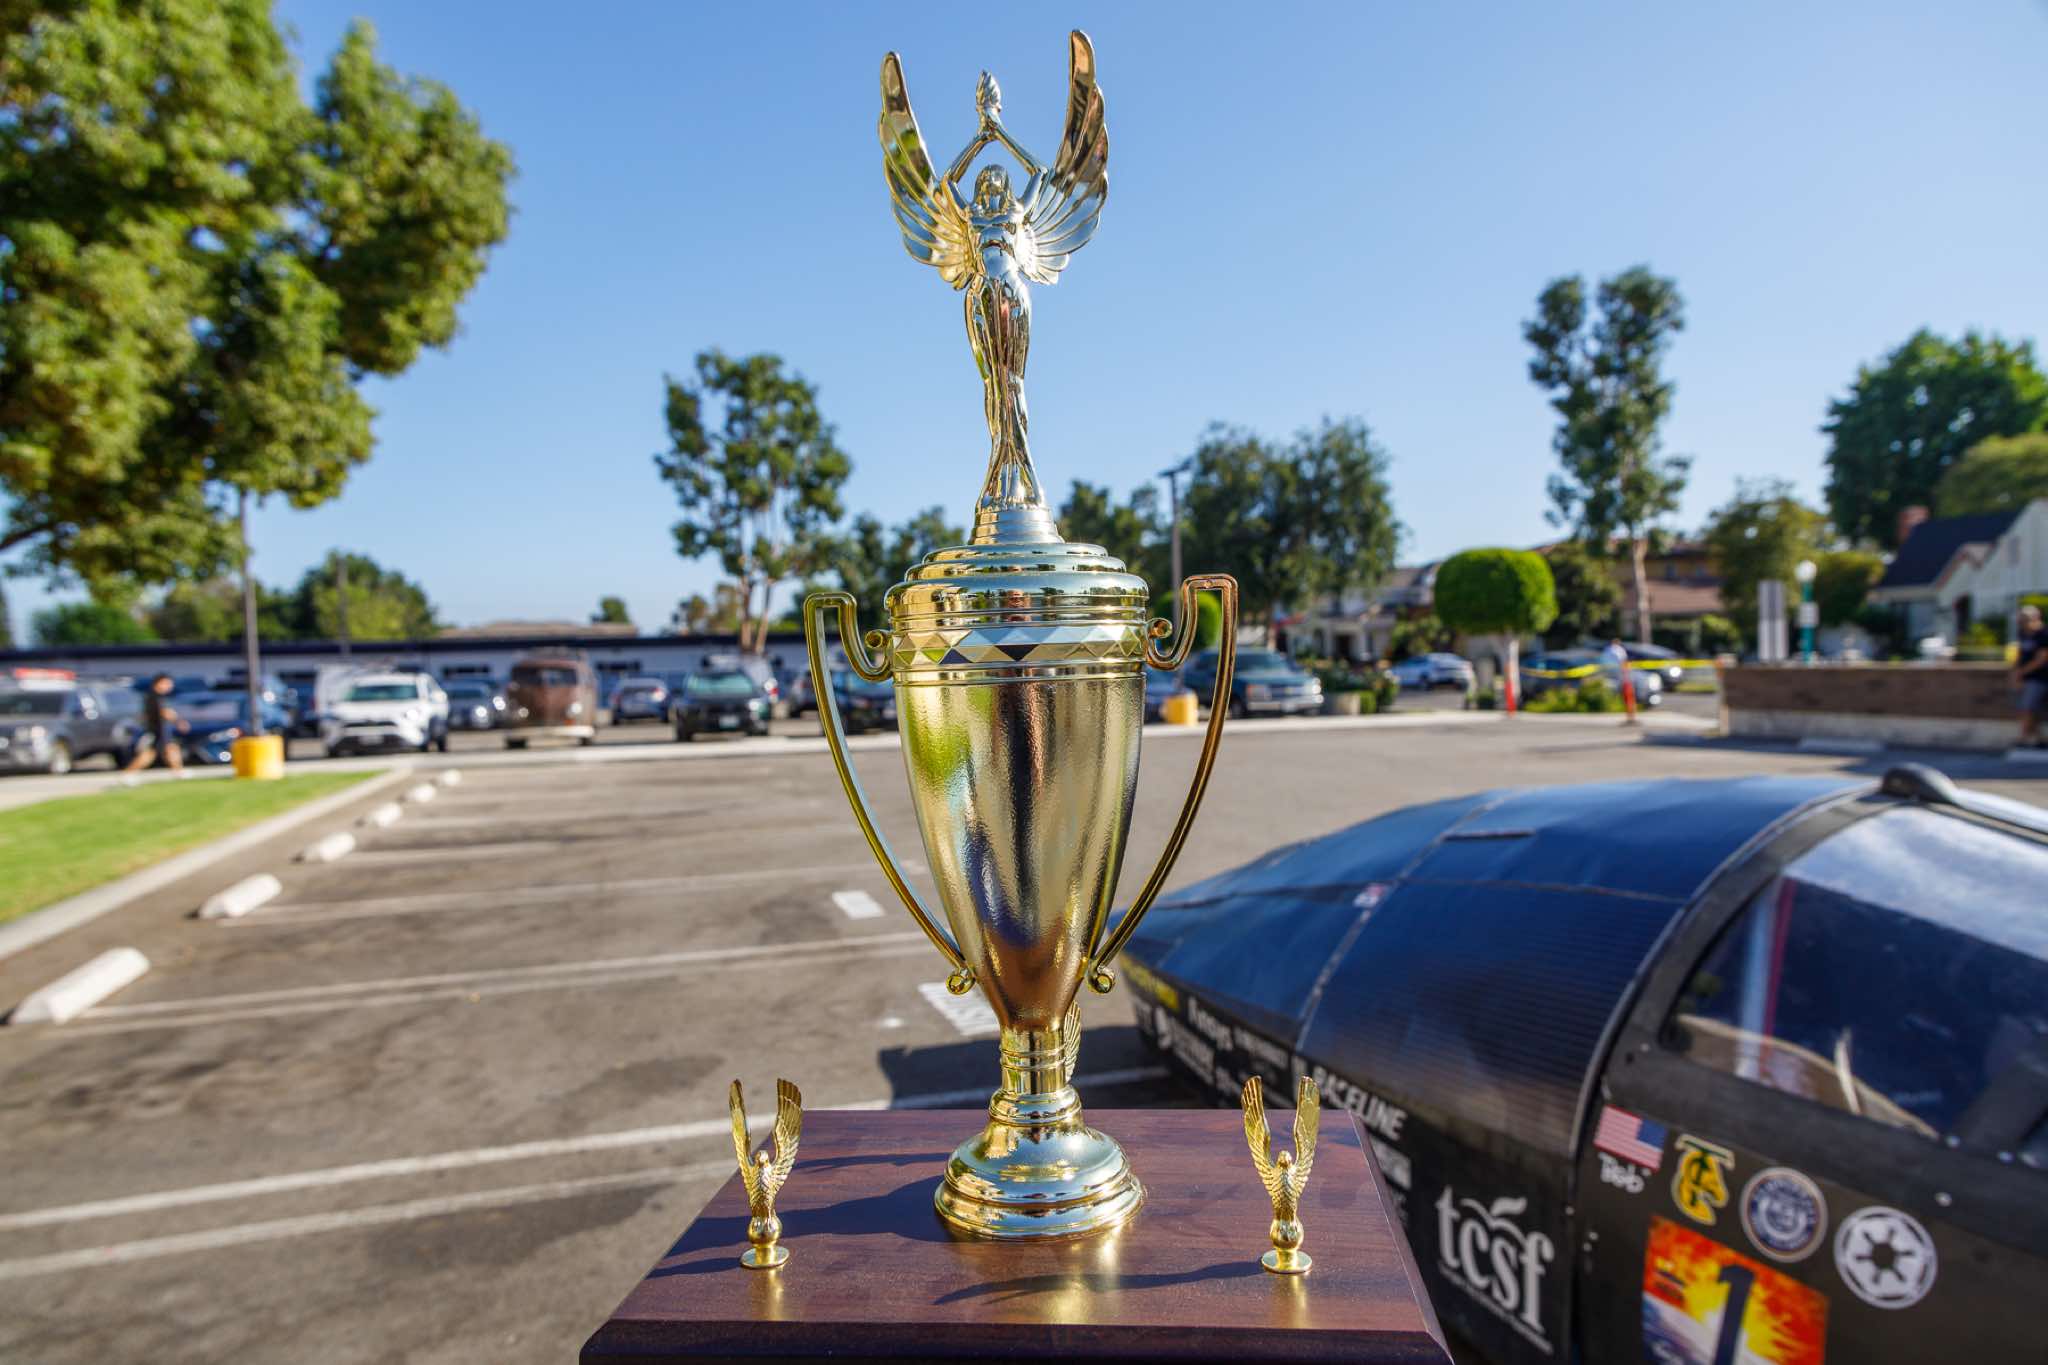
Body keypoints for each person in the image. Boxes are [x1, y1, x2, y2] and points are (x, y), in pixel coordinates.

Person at [124, 673, 186, 773]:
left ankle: (178, 771)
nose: (170, 686)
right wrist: (178, 721)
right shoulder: (154, 697)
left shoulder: (155, 696)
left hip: (157, 729)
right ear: (159, 683)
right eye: (167, 683)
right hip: (157, 729)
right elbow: (164, 713)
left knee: (166, 749)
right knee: (156, 751)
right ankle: (129, 773)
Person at [2014, 605, 2048, 749]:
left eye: (2024, 620)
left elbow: (2042, 659)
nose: (2022, 623)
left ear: (2035, 618)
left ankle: (2023, 738)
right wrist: (2016, 673)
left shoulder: (2043, 634)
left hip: (2040, 678)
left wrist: (2021, 672)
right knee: (2029, 709)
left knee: (2028, 708)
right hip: (2027, 678)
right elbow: (2020, 654)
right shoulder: (2023, 633)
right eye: (2020, 620)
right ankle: (2040, 738)